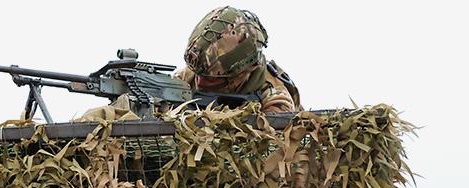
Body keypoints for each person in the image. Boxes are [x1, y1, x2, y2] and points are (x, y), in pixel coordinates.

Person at [77, 6, 301, 122]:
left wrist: (191, 118)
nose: (200, 81)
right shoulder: (192, 75)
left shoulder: (275, 97)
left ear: (239, 75)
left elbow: (262, 150)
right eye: (197, 73)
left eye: (211, 78)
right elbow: (155, 101)